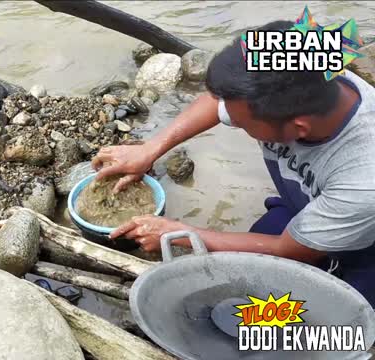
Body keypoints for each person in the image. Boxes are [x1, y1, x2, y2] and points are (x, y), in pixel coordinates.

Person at [91, 21, 375, 306]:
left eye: (240, 124)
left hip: (359, 250)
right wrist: (150, 149)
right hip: (303, 207)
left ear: (298, 128)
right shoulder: (307, 59)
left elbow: (289, 250)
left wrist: (181, 233)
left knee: (297, 320)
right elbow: (218, 101)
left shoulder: (363, 181)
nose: (232, 122)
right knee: (240, 274)